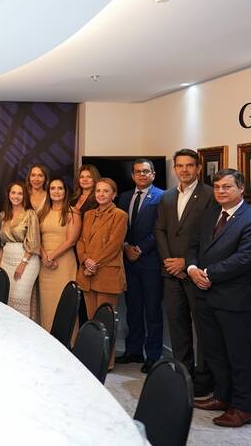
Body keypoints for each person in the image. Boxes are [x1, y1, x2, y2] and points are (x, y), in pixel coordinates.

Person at [188, 169, 251, 428]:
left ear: (241, 189)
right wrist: (191, 268)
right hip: (204, 295)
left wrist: (208, 274)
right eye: (217, 187)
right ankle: (222, 397)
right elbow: (193, 245)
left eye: (227, 187)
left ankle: (243, 409)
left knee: (238, 355)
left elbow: (244, 259)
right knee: (214, 352)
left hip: (234, 300)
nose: (221, 191)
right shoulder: (210, 213)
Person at [154, 148, 216, 397]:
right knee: (177, 325)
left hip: (195, 272)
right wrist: (169, 261)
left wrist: (186, 262)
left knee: (203, 328)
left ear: (198, 168)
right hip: (171, 273)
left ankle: (203, 380)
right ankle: (182, 373)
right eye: (180, 166)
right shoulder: (167, 196)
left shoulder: (210, 195)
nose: (184, 170)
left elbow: (211, 235)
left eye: (189, 165)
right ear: (174, 169)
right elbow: (160, 230)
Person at [116, 159, 164, 373]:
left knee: (152, 310)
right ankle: (133, 350)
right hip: (128, 261)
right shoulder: (125, 197)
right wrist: (126, 246)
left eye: (146, 171)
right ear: (132, 175)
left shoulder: (162, 196)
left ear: (153, 174)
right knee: (133, 308)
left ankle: (153, 355)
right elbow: (119, 227)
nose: (142, 175)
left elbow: (161, 228)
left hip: (150, 261)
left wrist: (141, 249)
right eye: (138, 172)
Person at [76, 178, 127, 367]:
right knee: (92, 320)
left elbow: (114, 245)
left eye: (106, 191)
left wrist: (94, 262)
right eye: (98, 191)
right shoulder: (88, 214)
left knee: (106, 321)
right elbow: (80, 241)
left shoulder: (120, 215)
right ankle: (92, 358)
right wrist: (85, 260)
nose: (101, 194)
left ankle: (106, 362)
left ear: (114, 194)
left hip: (107, 274)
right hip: (87, 273)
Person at [38, 178, 81, 332]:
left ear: (65, 191)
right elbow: (36, 238)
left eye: (60, 188)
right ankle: (48, 339)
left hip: (64, 264)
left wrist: (51, 257)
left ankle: (68, 341)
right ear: (48, 192)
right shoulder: (42, 212)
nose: (56, 191)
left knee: (65, 303)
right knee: (47, 305)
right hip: (45, 265)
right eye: (53, 188)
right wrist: (44, 257)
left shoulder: (72, 212)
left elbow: (71, 241)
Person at [0, 181, 41, 317]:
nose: (16, 196)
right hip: (6, 261)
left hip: (27, 261)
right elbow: (1, 245)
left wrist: (22, 264)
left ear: (24, 196)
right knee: (7, 298)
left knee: (20, 298)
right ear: (8, 195)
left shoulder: (30, 214)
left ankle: (23, 329)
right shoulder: (3, 216)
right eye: (13, 193)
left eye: (20, 193)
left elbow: (33, 243)